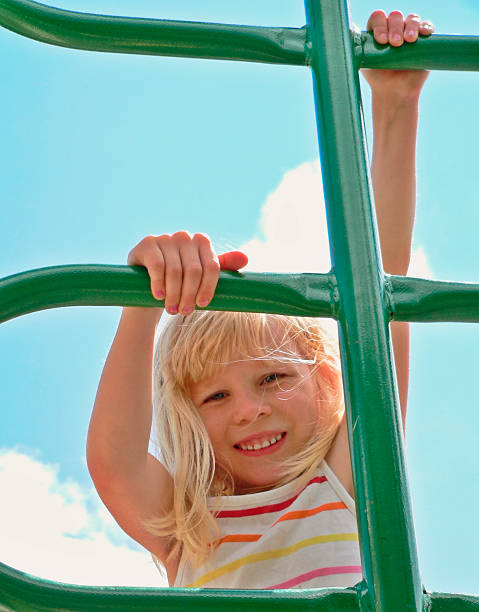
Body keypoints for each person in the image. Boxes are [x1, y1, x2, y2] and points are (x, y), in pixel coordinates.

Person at [87, 10, 434, 589]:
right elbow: (115, 463)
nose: (249, 410)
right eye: (216, 395)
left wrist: (396, 108)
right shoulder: (190, 529)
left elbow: (384, 282)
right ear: (187, 417)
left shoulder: (347, 484)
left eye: (273, 378)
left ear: (327, 380)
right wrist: (141, 302)